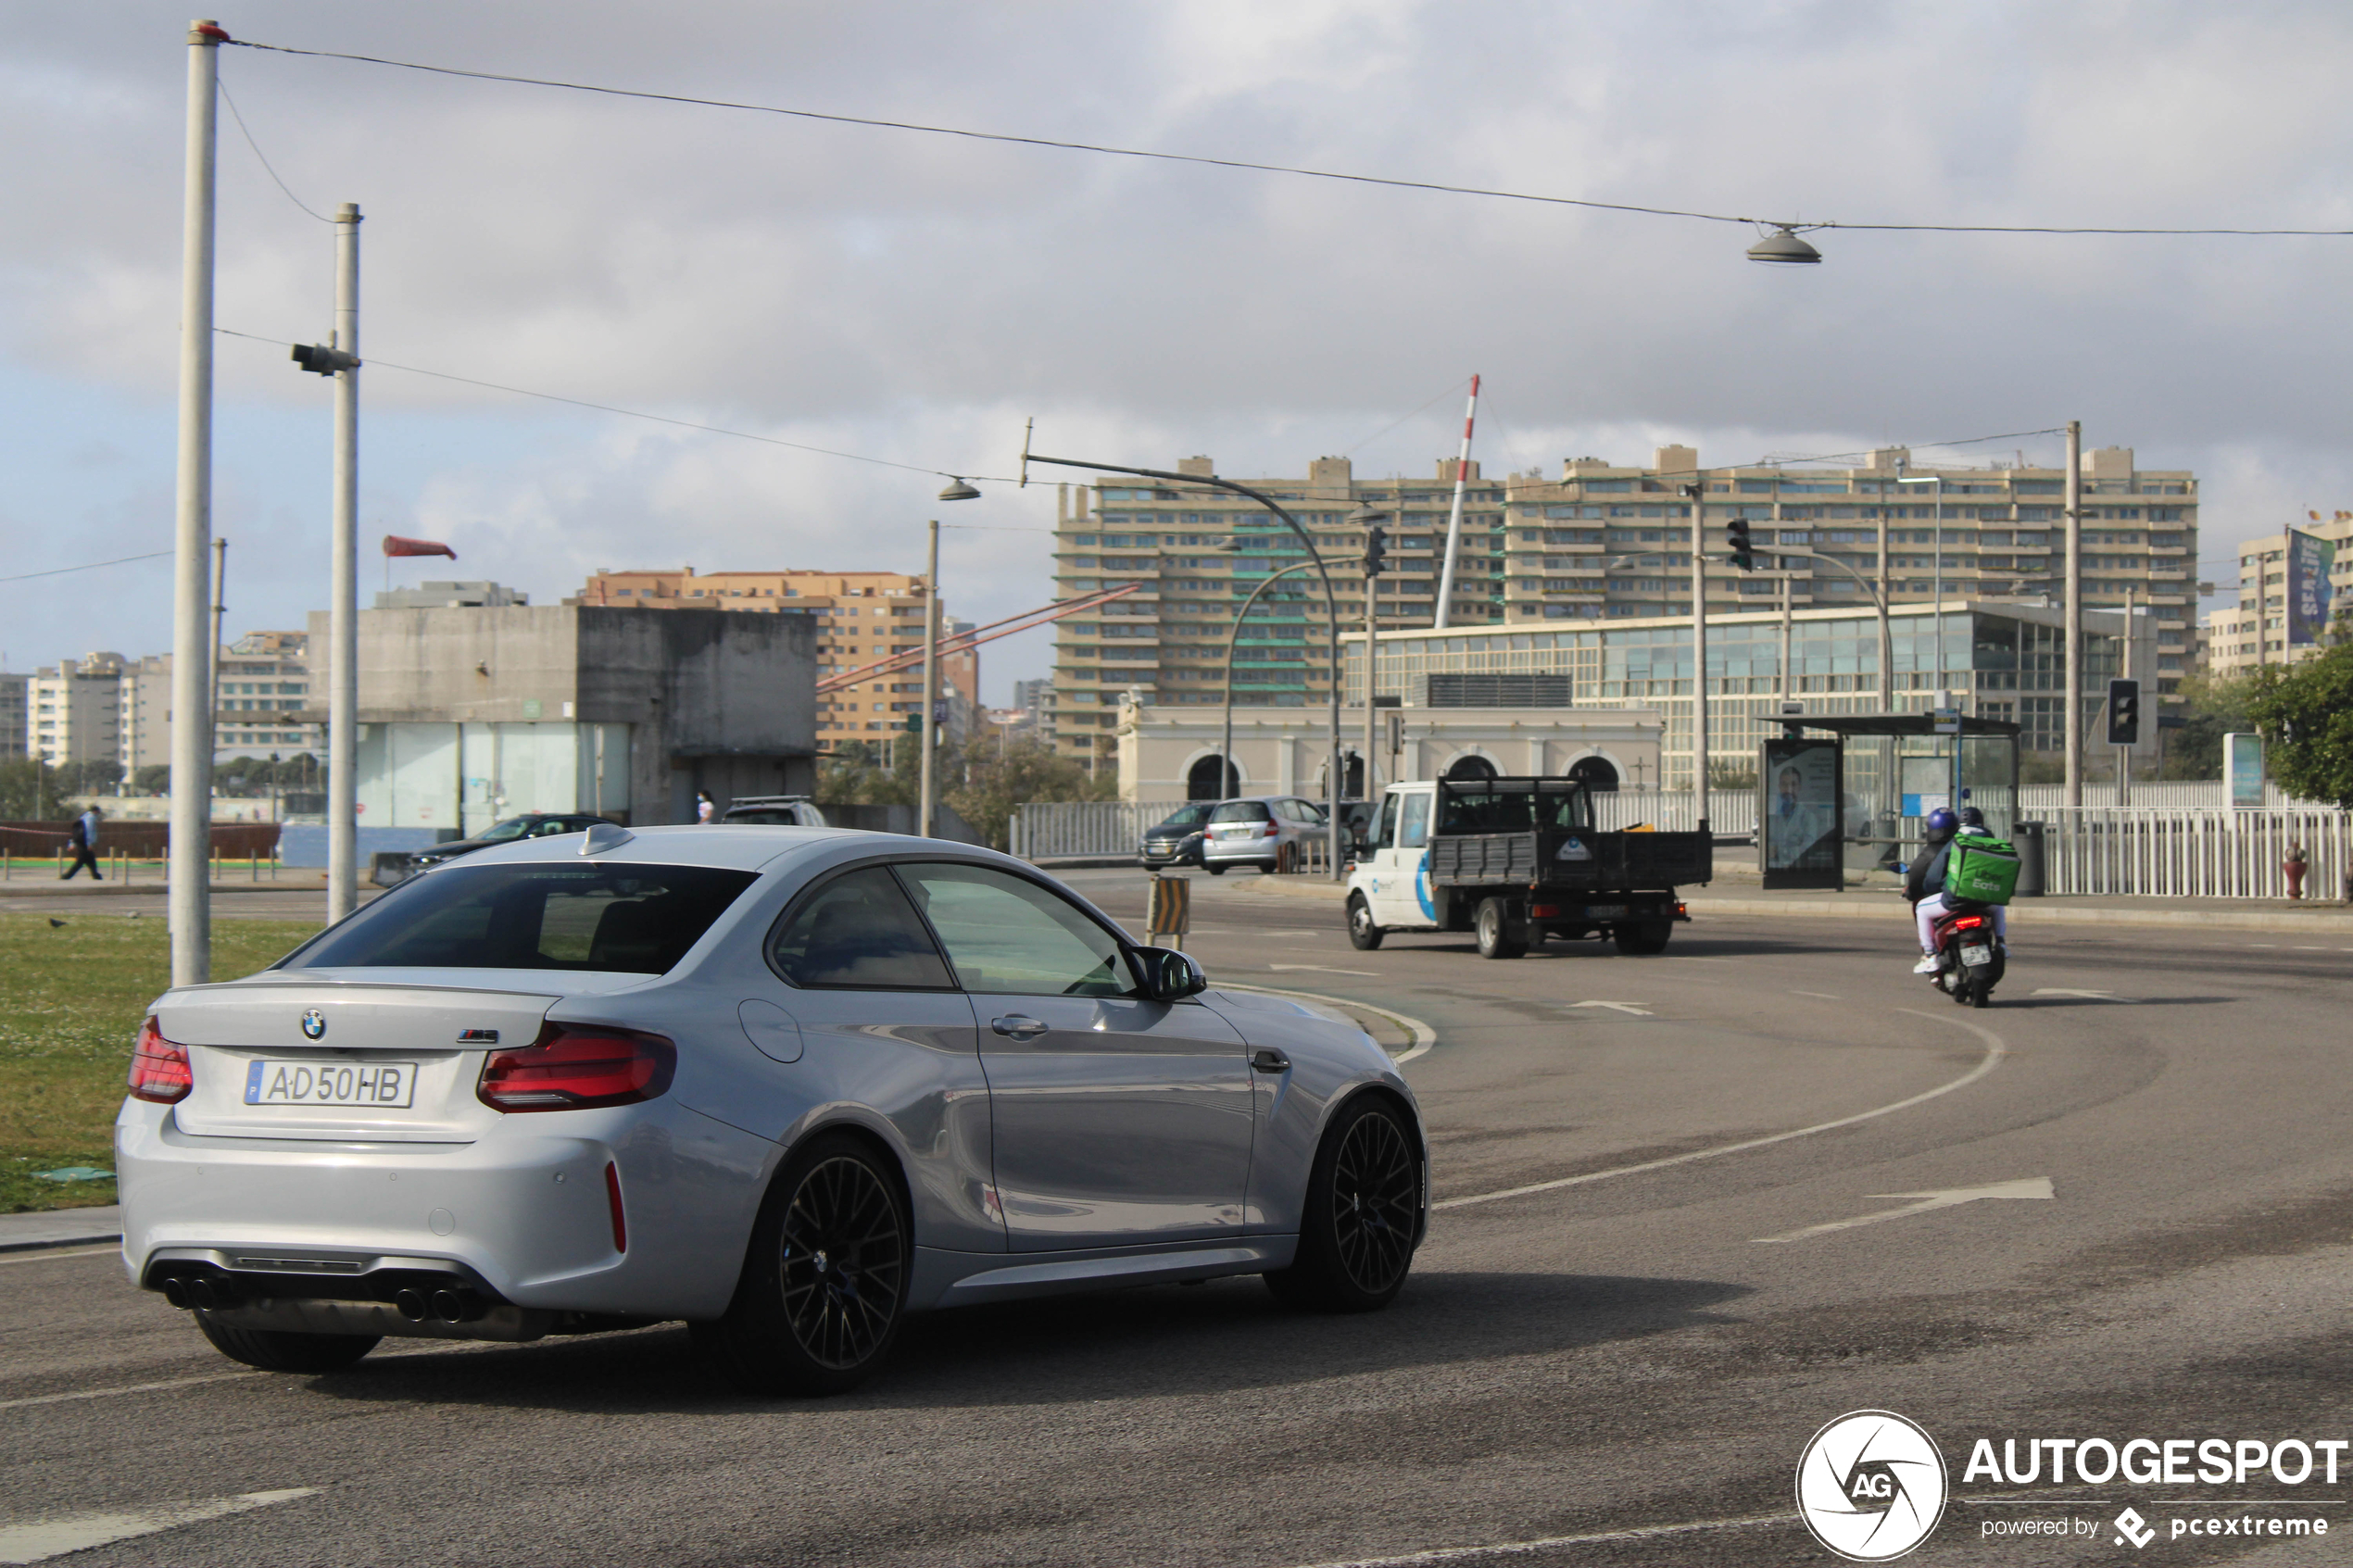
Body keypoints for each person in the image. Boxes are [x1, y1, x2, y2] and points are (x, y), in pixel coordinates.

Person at [1906, 805, 2006, 973]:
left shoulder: (1956, 842)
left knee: (1922, 909)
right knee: (1999, 906)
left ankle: (1929, 955)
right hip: (1984, 899)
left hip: (1956, 900)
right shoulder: (1992, 842)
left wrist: (1934, 887)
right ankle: (2002, 943)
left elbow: (1934, 877)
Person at [60, 804, 102, 882]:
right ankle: (67, 876)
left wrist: (72, 843)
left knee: (91, 858)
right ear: (95, 811)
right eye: (98, 811)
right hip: (84, 842)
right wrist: (89, 843)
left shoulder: (84, 817)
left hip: (80, 841)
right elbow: (88, 831)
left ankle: (96, 875)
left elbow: (76, 832)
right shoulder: (91, 818)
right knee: (81, 860)